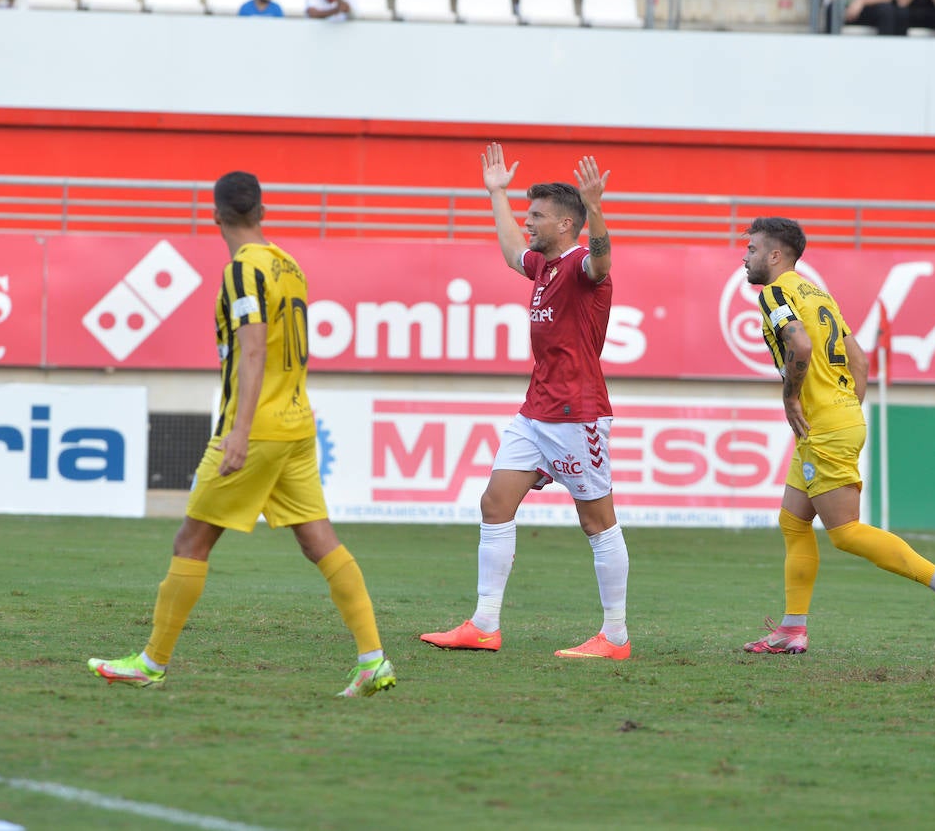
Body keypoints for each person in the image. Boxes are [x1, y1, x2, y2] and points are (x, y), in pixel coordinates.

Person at [88, 171, 396, 699]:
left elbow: (253, 348)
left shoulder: (242, 271)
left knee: (192, 539)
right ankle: (373, 660)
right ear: (261, 211)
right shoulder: (288, 265)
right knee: (318, 539)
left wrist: (240, 432)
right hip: (297, 422)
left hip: (257, 429)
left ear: (214, 215)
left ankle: (151, 662)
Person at [421, 144, 631, 661]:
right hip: (534, 412)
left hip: (576, 413)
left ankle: (616, 637)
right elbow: (513, 251)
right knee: (495, 504)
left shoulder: (583, 262)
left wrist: (596, 206)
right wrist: (497, 194)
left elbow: (602, 260)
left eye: (536, 215)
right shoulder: (543, 266)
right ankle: (485, 624)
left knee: (597, 522)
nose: (528, 221)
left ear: (565, 224)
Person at [740, 216, 935, 655]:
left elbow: (800, 346)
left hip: (822, 424)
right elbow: (859, 360)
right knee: (793, 521)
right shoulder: (816, 292)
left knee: (844, 532)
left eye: (751, 250)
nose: (744, 257)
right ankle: (791, 630)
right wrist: (845, 408)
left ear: (774, 255)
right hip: (834, 419)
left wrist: (793, 398)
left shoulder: (775, 293)